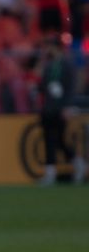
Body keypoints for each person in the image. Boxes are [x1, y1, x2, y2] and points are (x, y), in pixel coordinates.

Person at [38, 38, 85, 185]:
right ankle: (51, 173)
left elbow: (71, 88)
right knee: (49, 140)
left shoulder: (67, 65)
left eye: (50, 46)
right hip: (49, 108)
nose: (48, 50)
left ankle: (77, 163)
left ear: (57, 47)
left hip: (61, 108)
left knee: (58, 140)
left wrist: (68, 106)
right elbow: (43, 86)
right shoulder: (48, 66)